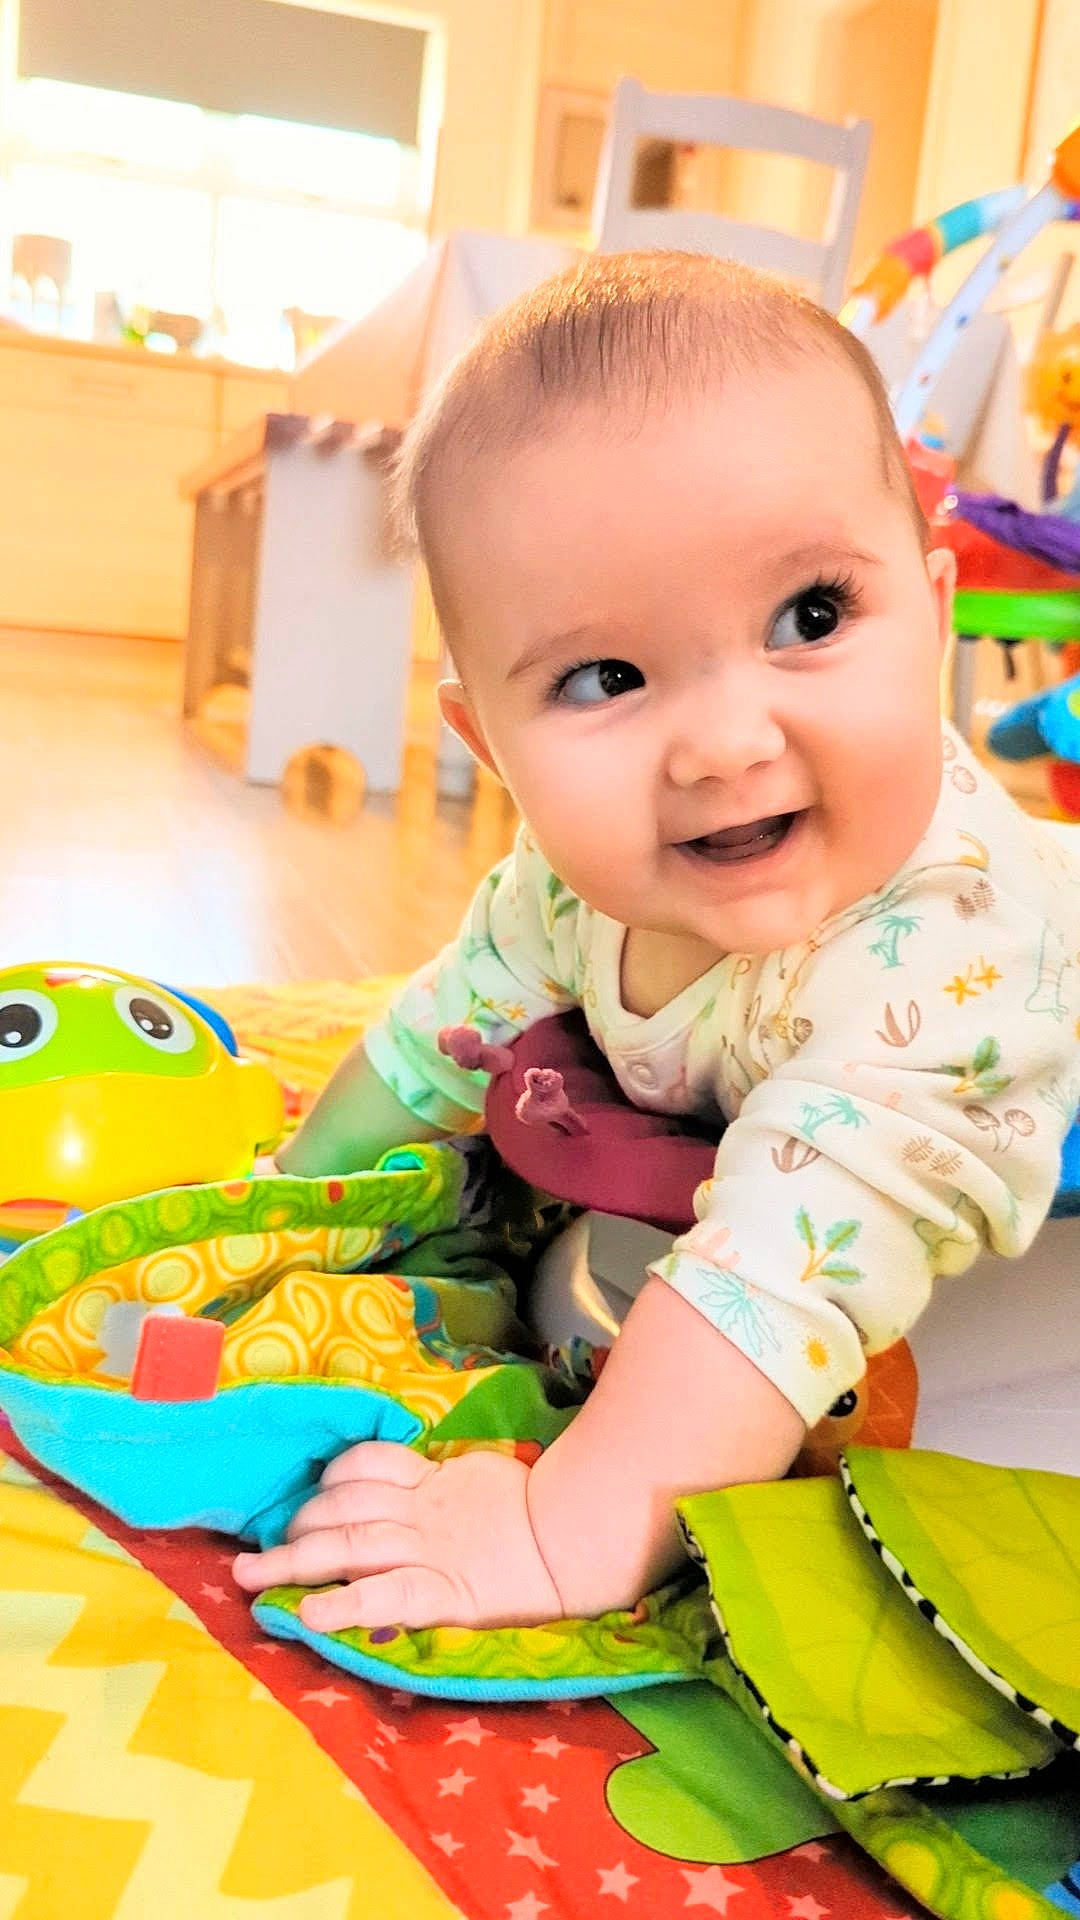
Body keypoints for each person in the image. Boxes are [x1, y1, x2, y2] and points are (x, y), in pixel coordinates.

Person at [233, 254, 1080, 1634]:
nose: (729, 744)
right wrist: (281, 1204)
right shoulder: (571, 888)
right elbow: (439, 1032)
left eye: (811, 618)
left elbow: (782, 1270)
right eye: (604, 678)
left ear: (932, 613)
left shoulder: (945, 958)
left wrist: (568, 1527)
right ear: (488, 745)